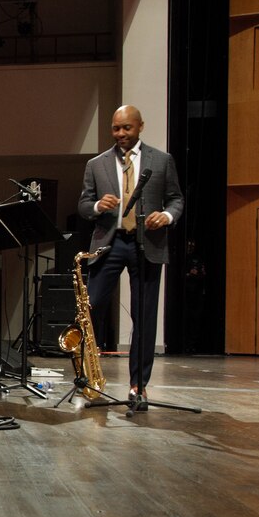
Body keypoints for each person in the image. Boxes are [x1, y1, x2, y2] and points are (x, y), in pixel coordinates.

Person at [77, 105, 184, 401]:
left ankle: (139, 385)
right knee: (91, 309)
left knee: (144, 316)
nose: (121, 134)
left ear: (140, 126)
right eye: (116, 128)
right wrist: (99, 206)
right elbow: (84, 206)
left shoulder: (162, 161)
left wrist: (166, 216)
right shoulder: (96, 164)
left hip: (145, 244)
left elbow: (176, 199)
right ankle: (90, 378)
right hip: (108, 244)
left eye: (127, 128)